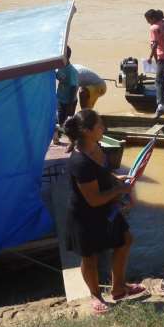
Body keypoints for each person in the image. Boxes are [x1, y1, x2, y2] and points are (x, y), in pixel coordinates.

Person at [64, 109, 146, 315]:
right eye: (100, 125)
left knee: (125, 240)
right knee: (89, 257)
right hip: (85, 214)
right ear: (86, 130)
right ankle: (95, 296)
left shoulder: (98, 147)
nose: (104, 128)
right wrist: (120, 190)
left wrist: (117, 181)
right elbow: (93, 199)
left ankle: (118, 288)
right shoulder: (79, 162)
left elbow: (103, 174)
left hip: (106, 207)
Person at [54, 46, 78, 145]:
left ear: (65, 57)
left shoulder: (71, 71)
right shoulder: (59, 67)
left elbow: (74, 87)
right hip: (60, 98)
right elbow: (56, 75)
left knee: (68, 122)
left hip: (70, 100)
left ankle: (72, 141)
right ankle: (57, 138)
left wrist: (70, 104)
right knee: (60, 119)